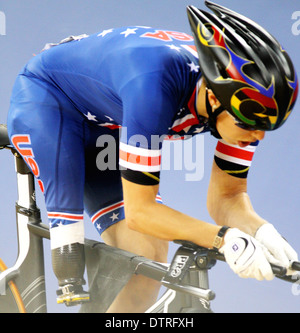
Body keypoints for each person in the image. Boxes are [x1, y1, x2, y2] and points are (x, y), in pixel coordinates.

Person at [7, 1, 299, 312]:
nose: (258, 136)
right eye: (251, 125)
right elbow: (140, 212)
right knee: (71, 240)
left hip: (103, 116)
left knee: (146, 255)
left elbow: (226, 198)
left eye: (269, 127)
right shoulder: (155, 86)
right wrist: (223, 239)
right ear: (214, 96)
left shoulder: (244, 107)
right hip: (47, 99)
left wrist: (261, 231)